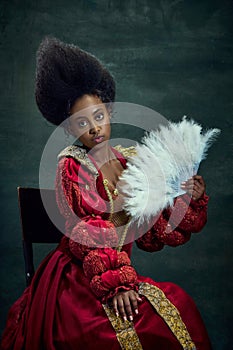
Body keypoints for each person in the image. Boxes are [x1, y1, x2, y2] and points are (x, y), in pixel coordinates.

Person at [1, 37, 212, 350]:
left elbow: (153, 231)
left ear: (110, 111)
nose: (94, 128)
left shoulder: (131, 160)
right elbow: (85, 233)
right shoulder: (71, 166)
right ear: (68, 129)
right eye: (81, 123)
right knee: (109, 333)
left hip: (119, 272)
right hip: (77, 278)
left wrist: (186, 199)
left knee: (179, 305)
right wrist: (117, 286)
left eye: (99, 117)